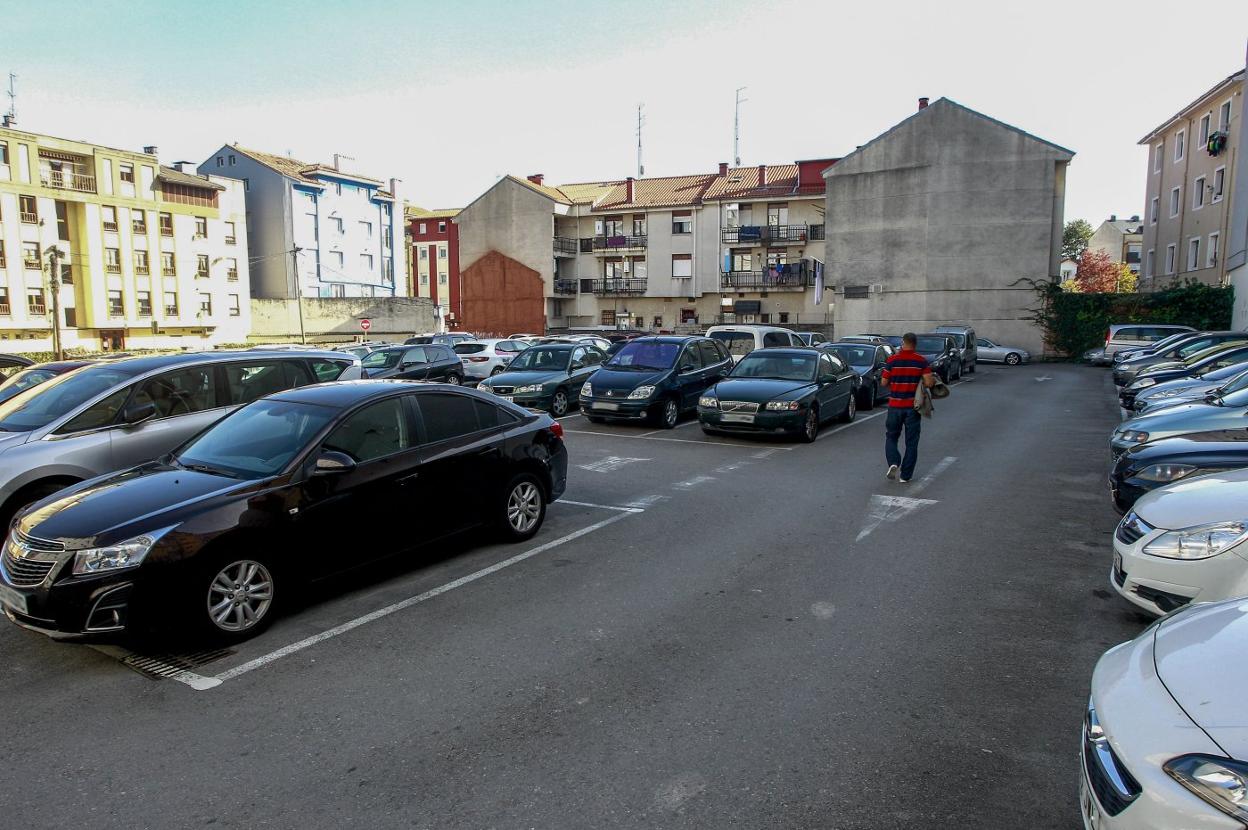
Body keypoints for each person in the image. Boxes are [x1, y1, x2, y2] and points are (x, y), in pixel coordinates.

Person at [879, 332, 935, 483]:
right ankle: (905, 476)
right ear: (915, 344)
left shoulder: (892, 360)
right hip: (912, 408)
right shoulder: (921, 361)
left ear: (903, 342)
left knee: (891, 436)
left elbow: (884, 382)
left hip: (894, 406)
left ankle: (893, 462)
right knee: (911, 442)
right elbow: (929, 383)